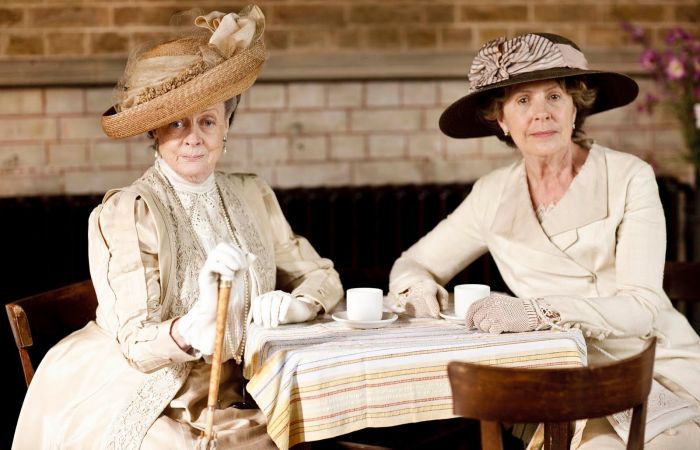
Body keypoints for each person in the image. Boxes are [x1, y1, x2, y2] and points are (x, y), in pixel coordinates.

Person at [13, 5, 342, 449]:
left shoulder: (253, 194)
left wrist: (299, 305)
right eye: (176, 123)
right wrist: (195, 325)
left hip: (244, 386)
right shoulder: (129, 212)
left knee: (323, 424)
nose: (193, 137)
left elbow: (320, 274)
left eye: (207, 120)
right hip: (147, 389)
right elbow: (136, 343)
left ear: (226, 127)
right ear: (155, 133)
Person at [389, 33, 700, 449]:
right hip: (560, 378)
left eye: (554, 96)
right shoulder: (491, 194)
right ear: (502, 120)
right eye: (522, 101)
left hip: (654, 368)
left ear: (575, 107)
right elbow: (412, 263)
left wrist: (535, 312)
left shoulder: (630, 176)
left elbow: (643, 309)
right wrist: (417, 286)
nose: (542, 114)